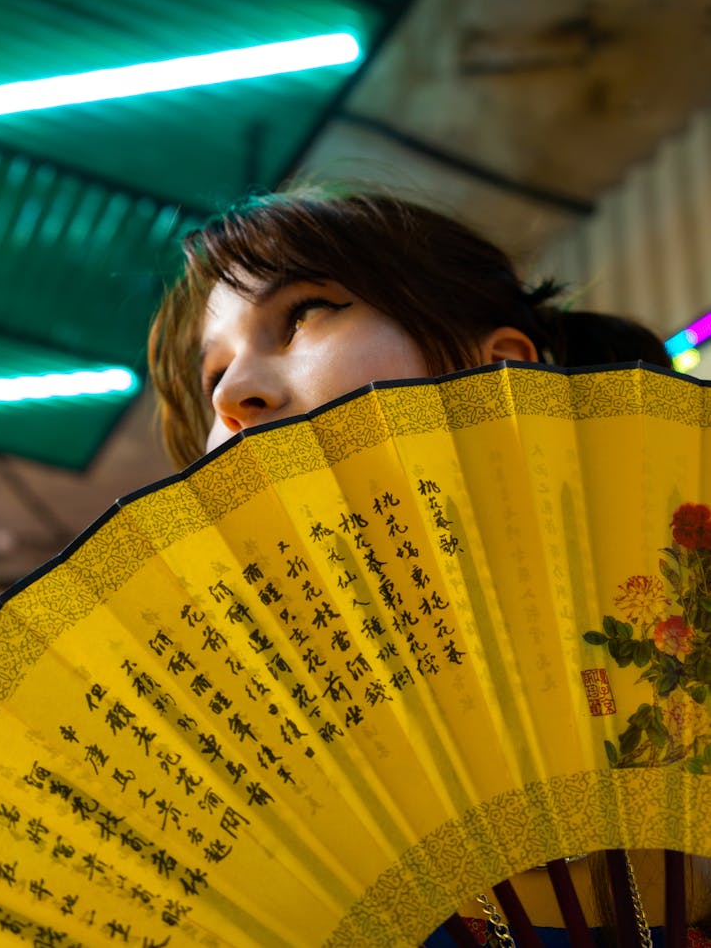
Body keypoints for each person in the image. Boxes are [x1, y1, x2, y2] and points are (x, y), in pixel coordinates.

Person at [148, 183, 707, 945]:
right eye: (212, 377)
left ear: (499, 368)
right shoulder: (260, 786)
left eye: (305, 313)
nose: (235, 395)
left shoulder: (671, 624)